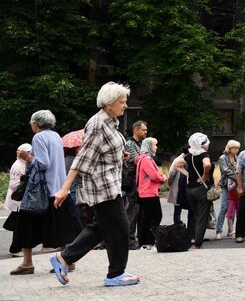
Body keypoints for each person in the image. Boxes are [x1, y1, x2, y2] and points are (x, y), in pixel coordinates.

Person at [51, 82, 140, 287]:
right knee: (120, 227)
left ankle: (64, 258)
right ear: (109, 104)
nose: (125, 105)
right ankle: (115, 274)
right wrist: (65, 189)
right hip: (102, 187)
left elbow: (104, 150)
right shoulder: (98, 123)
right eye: (122, 102)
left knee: (102, 226)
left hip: (111, 183)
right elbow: (82, 159)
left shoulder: (111, 121)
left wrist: (120, 155)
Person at [10, 111, 74, 276]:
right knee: (60, 226)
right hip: (58, 187)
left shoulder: (39, 137)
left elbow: (43, 163)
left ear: (36, 124)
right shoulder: (56, 136)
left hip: (41, 191)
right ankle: (68, 260)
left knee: (26, 224)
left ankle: (27, 263)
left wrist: (28, 157)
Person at [179, 132, 213, 249]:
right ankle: (198, 243)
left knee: (196, 215)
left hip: (189, 190)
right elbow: (207, 165)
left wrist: (187, 174)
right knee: (202, 218)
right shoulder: (204, 155)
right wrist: (205, 176)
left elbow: (177, 165)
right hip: (201, 189)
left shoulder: (189, 155)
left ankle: (192, 238)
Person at [134, 138, 166, 250]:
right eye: (155, 145)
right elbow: (154, 175)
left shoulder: (141, 158)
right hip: (149, 192)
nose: (156, 147)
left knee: (146, 218)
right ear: (149, 146)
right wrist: (162, 177)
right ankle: (150, 242)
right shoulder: (147, 159)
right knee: (156, 216)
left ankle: (144, 242)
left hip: (143, 192)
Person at [3, 143, 32, 257]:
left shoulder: (22, 164)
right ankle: (15, 249)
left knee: (18, 224)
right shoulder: (19, 165)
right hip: (18, 200)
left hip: (18, 200)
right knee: (19, 226)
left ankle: (17, 248)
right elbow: (14, 185)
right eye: (28, 152)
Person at [124, 120, 147, 250]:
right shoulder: (129, 144)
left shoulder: (141, 144)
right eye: (143, 130)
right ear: (136, 130)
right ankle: (129, 241)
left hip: (141, 181)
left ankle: (138, 239)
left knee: (140, 212)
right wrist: (146, 157)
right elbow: (137, 161)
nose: (145, 132)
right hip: (133, 181)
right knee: (132, 212)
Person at [215, 140, 240, 240]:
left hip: (235, 185)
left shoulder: (236, 157)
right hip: (226, 185)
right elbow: (225, 171)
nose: (237, 150)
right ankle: (219, 231)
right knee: (224, 207)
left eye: (238, 148)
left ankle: (231, 230)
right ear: (229, 148)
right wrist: (238, 176)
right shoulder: (223, 158)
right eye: (235, 148)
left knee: (234, 207)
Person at [166, 147, 189, 225]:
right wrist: (169, 183)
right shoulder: (179, 160)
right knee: (178, 208)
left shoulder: (178, 159)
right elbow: (171, 174)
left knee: (177, 208)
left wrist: (169, 183)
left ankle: (178, 226)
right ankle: (177, 226)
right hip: (180, 187)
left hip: (180, 187)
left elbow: (171, 173)